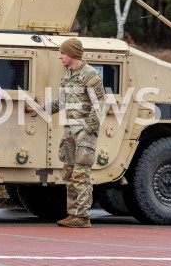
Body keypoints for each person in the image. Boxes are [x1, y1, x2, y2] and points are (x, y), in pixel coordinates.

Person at [46, 38, 105, 228]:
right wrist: (42, 109)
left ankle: (83, 216)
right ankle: (73, 214)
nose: (60, 56)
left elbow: (100, 106)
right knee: (69, 173)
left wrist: (87, 129)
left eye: (62, 53)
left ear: (72, 54)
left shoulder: (90, 75)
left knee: (81, 174)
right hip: (70, 132)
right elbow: (61, 102)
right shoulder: (68, 75)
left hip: (84, 133)